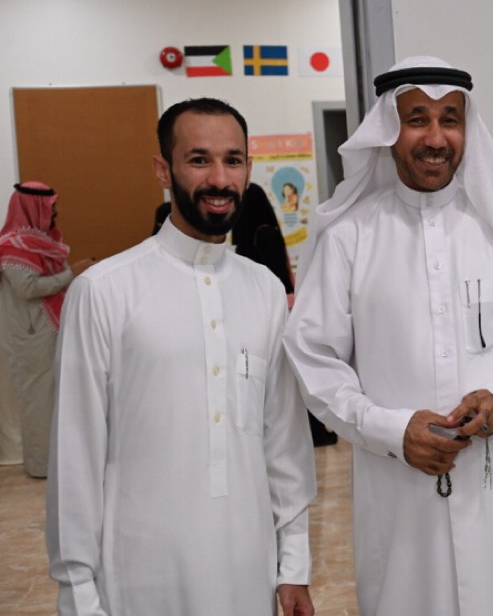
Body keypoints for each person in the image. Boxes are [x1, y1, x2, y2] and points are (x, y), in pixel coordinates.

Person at [284, 56, 493, 616]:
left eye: (450, 120)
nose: (435, 138)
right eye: (417, 119)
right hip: (400, 499)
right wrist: (391, 430)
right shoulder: (350, 237)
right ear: (389, 130)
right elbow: (314, 361)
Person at [47, 98, 317, 616]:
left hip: (249, 571)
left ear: (248, 169)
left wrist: (294, 565)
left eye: (232, 160)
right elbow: (74, 455)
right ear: (162, 170)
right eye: (198, 160)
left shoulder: (264, 290)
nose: (219, 178)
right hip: (141, 575)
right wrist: (77, 592)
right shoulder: (104, 291)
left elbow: (284, 440)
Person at [232, 182, 336, 446]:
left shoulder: (242, 241)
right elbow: (280, 276)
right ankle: (315, 431)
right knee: (292, 375)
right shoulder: (267, 233)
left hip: (253, 311)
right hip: (281, 310)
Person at [0, 182, 93, 476]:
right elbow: (27, 288)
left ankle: (59, 460)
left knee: (55, 397)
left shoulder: (45, 241)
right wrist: (71, 274)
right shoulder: (13, 245)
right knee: (38, 400)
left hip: (49, 329)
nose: (54, 213)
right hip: (30, 334)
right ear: (32, 209)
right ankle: (41, 465)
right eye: (50, 207)